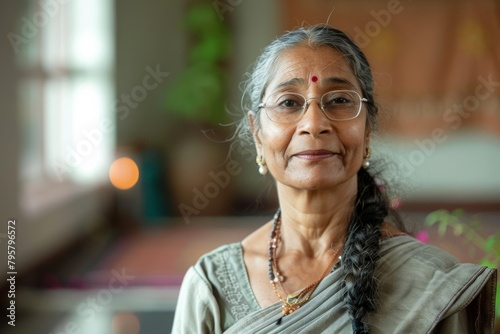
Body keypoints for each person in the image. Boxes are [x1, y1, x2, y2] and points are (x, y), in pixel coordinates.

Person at [172, 25, 497, 334]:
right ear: (257, 134)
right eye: (289, 103)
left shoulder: (431, 284)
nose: (314, 123)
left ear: (367, 129)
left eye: (339, 100)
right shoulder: (211, 286)